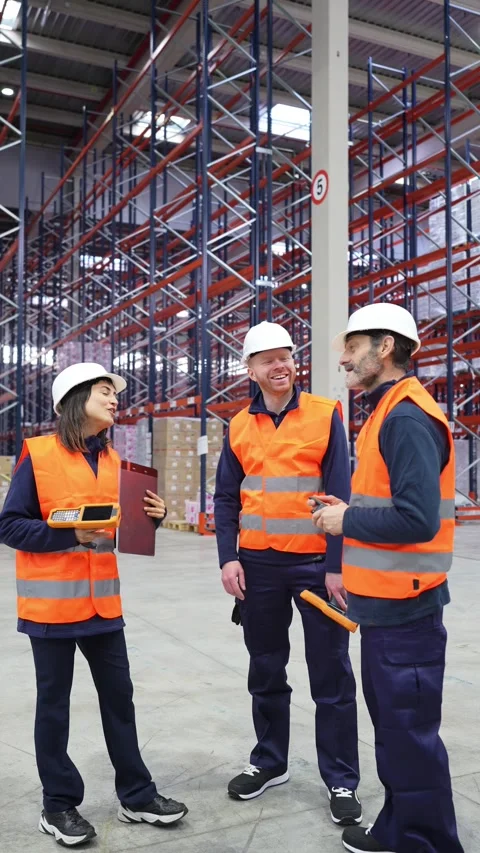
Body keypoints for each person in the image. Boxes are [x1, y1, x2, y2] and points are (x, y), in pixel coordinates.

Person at [0, 363, 188, 847]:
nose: (114, 399)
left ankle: (137, 796)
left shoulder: (112, 461)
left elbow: (117, 531)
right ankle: (58, 805)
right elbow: (10, 525)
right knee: (54, 707)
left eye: (113, 393)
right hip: (51, 609)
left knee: (120, 699)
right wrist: (69, 535)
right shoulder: (39, 454)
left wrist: (152, 519)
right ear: (75, 399)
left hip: (103, 607)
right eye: (105, 391)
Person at [311, 303, 464, 853]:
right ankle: (401, 828)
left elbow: (418, 519)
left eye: (353, 347)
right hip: (386, 606)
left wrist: (345, 520)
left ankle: (424, 841)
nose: (344, 359)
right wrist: (346, 510)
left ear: (386, 347)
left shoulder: (405, 417)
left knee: (408, 734)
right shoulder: (386, 411)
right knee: (397, 734)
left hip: (407, 611)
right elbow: (392, 503)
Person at [214, 320, 361, 828]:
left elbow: (340, 494)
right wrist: (228, 557)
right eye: (268, 360)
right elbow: (226, 498)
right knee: (265, 668)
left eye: (286, 356)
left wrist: (337, 566)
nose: (280, 366)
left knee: (331, 675)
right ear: (251, 370)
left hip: (316, 566)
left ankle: (341, 778)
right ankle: (269, 761)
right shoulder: (238, 425)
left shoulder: (324, 413)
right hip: (258, 567)